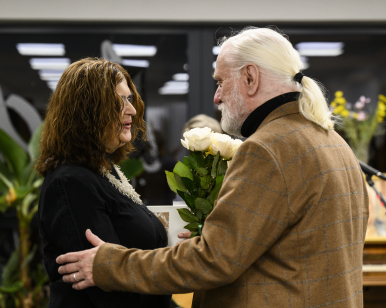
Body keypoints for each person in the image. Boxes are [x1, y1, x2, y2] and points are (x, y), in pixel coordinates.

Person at [56, 28, 369, 308]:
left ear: (250, 77)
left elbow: (214, 260)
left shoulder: (267, 149)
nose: (217, 96)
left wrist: (110, 265)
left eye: (220, 82)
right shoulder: (333, 142)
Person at [36, 58, 171, 307]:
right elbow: (109, 292)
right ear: (87, 112)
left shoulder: (104, 169)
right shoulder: (71, 182)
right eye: (118, 102)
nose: (131, 110)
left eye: (129, 99)